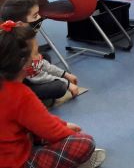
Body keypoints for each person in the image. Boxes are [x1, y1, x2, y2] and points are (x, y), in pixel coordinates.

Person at [0, 21, 106, 168]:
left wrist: (62, 125)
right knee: (85, 142)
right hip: (14, 162)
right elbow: (51, 131)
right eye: (36, 53)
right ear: (24, 63)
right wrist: (67, 130)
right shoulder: (20, 94)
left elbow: (38, 120)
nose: (40, 57)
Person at [1, 0, 79, 103]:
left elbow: (39, 64)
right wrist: (66, 83)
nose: (39, 18)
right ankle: (25, 97)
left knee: (44, 56)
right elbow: (37, 75)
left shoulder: (21, 37)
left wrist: (64, 74)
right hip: (16, 85)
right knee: (60, 87)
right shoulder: (18, 48)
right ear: (20, 24)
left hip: (26, 76)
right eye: (35, 16)